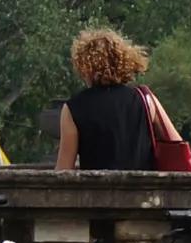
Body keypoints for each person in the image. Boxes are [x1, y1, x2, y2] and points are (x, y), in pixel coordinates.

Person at [54, 28, 156, 171]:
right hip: (142, 192)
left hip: (95, 191)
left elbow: (63, 170)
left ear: (85, 66)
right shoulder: (144, 100)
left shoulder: (73, 108)